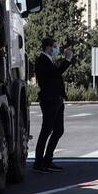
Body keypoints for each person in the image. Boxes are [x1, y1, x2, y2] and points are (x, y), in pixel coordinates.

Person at [34, 37, 72, 172]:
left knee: (58, 130)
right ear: (48, 47)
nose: (57, 49)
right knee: (46, 130)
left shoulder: (49, 60)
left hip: (57, 100)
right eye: (55, 47)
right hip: (49, 100)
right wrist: (67, 60)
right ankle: (38, 162)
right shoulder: (41, 61)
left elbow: (56, 77)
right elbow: (55, 74)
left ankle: (48, 160)